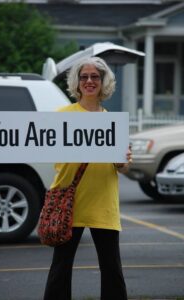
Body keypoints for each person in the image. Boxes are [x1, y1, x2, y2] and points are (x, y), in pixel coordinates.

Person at [43, 56, 132, 300]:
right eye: (84, 77)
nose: (89, 81)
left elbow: (122, 166)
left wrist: (122, 161)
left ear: (104, 82)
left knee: (112, 267)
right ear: (77, 82)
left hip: (103, 202)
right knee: (61, 268)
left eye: (95, 76)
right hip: (68, 201)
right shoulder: (61, 115)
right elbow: (48, 150)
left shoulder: (112, 122)